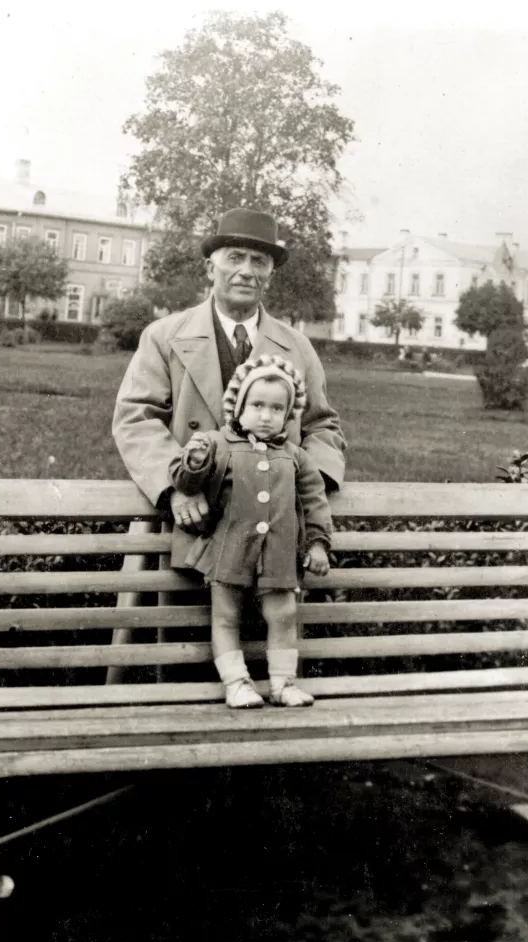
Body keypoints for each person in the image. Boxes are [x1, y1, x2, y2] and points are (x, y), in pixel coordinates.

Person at [112, 207, 346, 558]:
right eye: (235, 258)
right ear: (210, 268)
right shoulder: (164, 337)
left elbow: (323, 427)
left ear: (270, 274)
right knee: (177, 613)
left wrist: (301, 485)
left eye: (259, 261)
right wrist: (176, 486)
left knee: (270, 614)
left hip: (272, 533)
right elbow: (136, 419)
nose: (246, 272)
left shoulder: (297, 347)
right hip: (193, 523)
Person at [170, 354, 332, 708]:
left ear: (288, 415)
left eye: (277, 408)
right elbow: (184, 481)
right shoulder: (216, 443)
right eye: (257, 404)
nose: (265, 415)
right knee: (226, 616)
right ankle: (237, 682)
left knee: (284, 614)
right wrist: (194, 462)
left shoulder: (296, 456)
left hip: (278, 555)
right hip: (229, 549)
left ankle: (283, 683)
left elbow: (314, 500)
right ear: (238, 406)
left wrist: (317, 544)